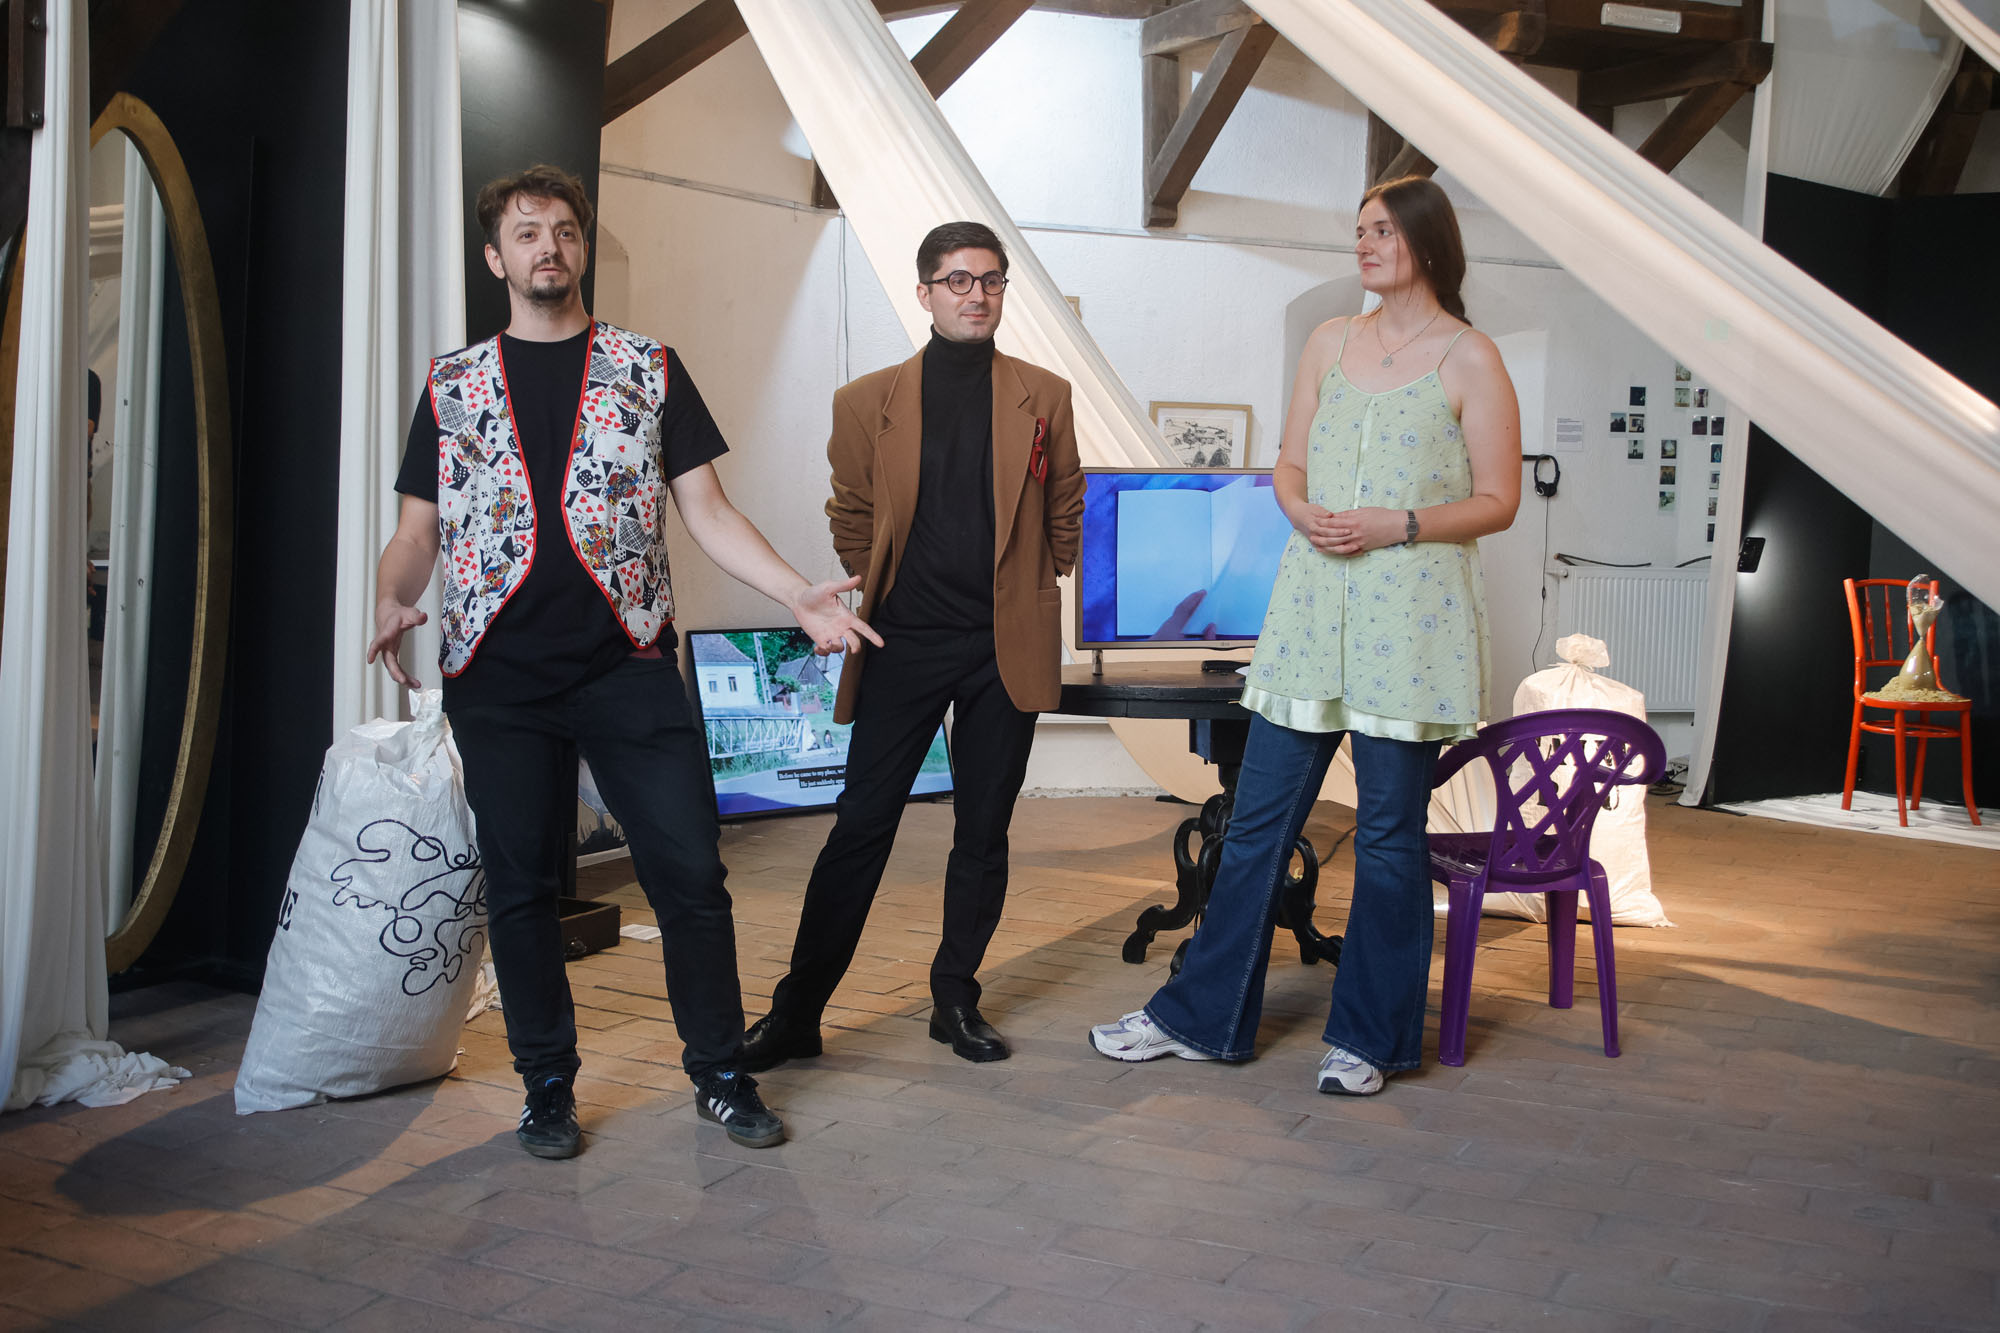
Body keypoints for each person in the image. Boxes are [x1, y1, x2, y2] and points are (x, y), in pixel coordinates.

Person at [367, 164, 877, 1158]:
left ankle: (720, 1072)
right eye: (526, 233)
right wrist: (392, 592)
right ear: (495, 257)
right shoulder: (451, 385)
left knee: (689, 873)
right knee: (520, 888)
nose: (547, 246)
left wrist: (792, 592)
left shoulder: (649, 368)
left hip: (626, 663)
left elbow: (708, 511)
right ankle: (546, 1087)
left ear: (583, 246)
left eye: (563, 229)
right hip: (497, 677)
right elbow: (416, 529)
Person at [1088, 176, 1521, 1094]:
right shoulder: (1329, 341)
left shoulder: (1472, 357)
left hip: (1410, 625)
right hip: (1311, 614)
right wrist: (1300, 510)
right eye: (1358, 229)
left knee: (1389, 838)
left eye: (1381, 230)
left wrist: (1399, 523)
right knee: (1255, 825)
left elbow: (1499, 499)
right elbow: (1289, 465)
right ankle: (1201, 1019)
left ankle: (1371, 1039)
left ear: (1426, 241)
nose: (1363, 243)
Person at [741, 221, 1084, 1069]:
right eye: (959, 280)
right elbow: (851, 510)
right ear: (925, 292)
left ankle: (955, 997)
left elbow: (1066, 504)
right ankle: (796, 1013)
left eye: (991, 280)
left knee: (984, 830)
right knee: (862, 825)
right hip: (902, 639)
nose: (977, 295)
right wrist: (879, 579)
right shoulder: (866, 401)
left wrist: (1039, 580)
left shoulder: (1044, 394)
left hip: (1005, 645)